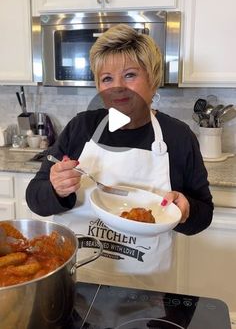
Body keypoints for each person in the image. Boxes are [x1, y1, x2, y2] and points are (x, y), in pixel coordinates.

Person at [26, 24, 213, 292]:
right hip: (76, 280)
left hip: (146, 290)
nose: (118, 88)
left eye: (130, 75)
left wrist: (185, 210)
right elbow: (35, 197)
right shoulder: (82, 128)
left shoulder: (177, 137)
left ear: (153, 80)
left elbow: (203, 214)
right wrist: (56, 189)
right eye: (107, 79)